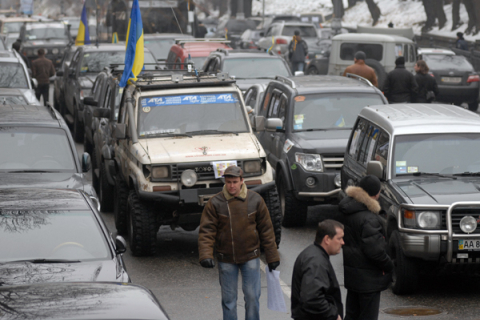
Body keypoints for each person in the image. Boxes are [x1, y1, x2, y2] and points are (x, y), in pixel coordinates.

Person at [198, 165, 280, 320]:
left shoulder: (255, 200)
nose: (232, 186)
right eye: (228, 182)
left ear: (242, 181)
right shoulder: (215, 203)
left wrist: (272, 257)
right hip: (226, 259)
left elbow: (267, 231)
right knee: (229, 301)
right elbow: (207, 231)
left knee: (252, 298)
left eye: (235, 182)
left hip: (251, 257)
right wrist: (205, 255)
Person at [339, 175, 394, 320]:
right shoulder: (369, 218)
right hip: (368, 281)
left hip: (353, 277)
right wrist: (389, 265)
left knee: (351, 315)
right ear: (375, 194)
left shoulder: (348, 209)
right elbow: (375, 251)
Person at [291, 219, 344, 320]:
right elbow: (312, 299)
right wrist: (334, 315)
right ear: (327, 239)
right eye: (339, 238)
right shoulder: (316, 263)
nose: (343, 242)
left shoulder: (314, 255)